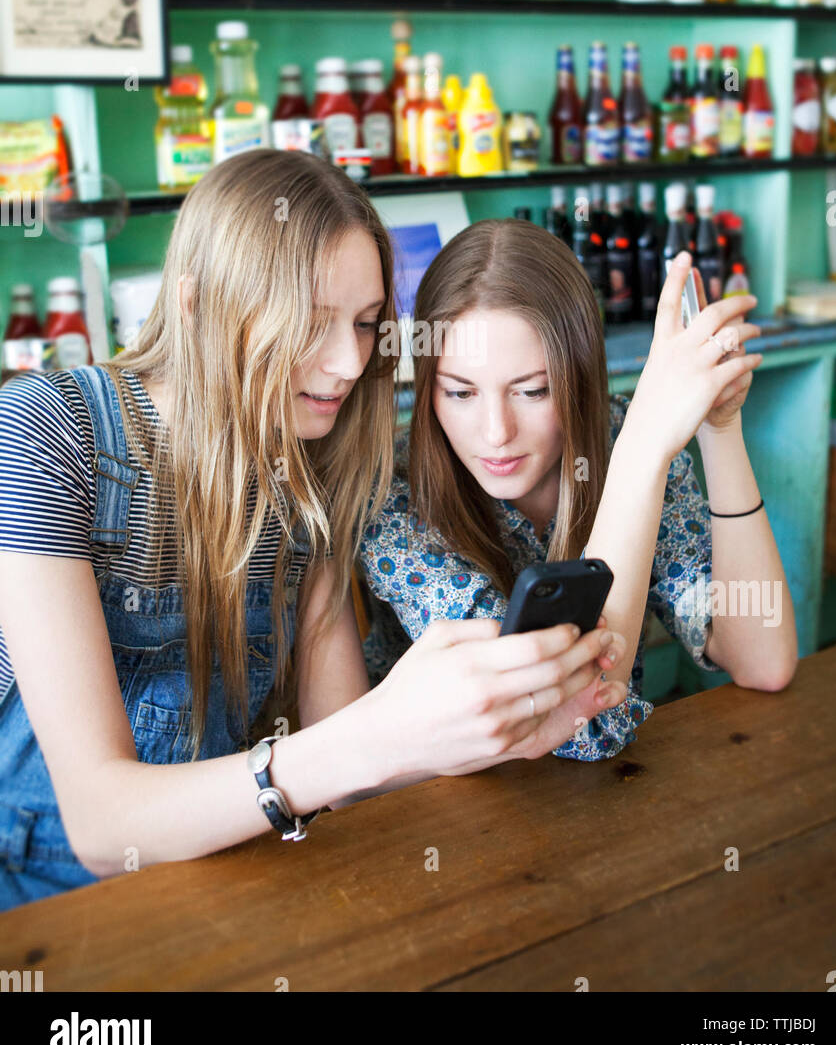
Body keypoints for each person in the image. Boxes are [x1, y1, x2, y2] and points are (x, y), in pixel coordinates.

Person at [0, 151, 616, 910]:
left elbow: (350, 768)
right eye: (311, 323)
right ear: (195, 306)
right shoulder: (44, 433)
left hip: (227, 883)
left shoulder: (314, 461)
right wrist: (375, 734)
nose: (349, 362)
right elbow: (101, 824)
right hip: (50, 905)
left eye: (364, 325)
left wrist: (481, 730)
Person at [359, 218, 798, 758]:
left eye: (533, 391)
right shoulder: (393, 495)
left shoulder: (623, 436)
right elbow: (570, 724)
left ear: (579, 376)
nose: (496, 433)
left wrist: (718, 424)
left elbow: (763, 660)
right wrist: (643, 450)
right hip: (431, 814)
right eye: (460, 393)